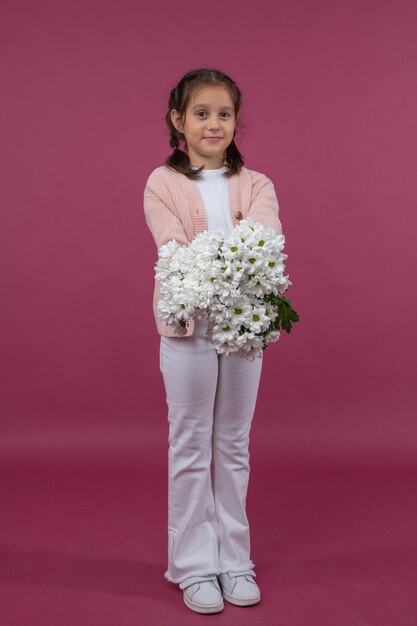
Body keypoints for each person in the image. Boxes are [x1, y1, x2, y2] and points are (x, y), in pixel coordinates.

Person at [143, 68, 283, 614]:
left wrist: (234, 267)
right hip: (188, 329)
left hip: (244, 329)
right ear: (179, 120)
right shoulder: (162, 182)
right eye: (201, 113)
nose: (214, 124)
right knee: (190, 443)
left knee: (232, 443)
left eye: (224, 114)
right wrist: (233, 262)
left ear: (235, 122)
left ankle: (234, 560)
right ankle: (194, 566)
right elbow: (174, 248)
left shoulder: (258, 185)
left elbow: (267, 245)